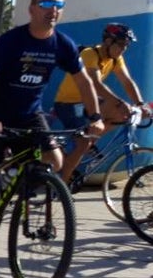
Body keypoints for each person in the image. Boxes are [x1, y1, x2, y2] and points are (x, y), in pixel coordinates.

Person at [0, 0, 105, 258]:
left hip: (30, 114)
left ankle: (24, 180)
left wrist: (95, 118)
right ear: (32, 9)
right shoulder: (13, 41)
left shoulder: (62, 44)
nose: (53, 9)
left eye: (59, 4)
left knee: (56, 161)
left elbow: (84, 82)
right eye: (46, 3)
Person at [53, 22, 150, 183]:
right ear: (107, 41)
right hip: (67, 104)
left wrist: (140, 104)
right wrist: (120, 102)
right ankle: (61, 183)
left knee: (123, 115)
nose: (123, 49)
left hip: (89, 101)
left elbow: (127, 82)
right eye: (120, 44)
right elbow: (96, 84)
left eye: (126, 45)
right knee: (83, 144)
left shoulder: (116, 59)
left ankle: (88, 141)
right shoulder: (90, 54)